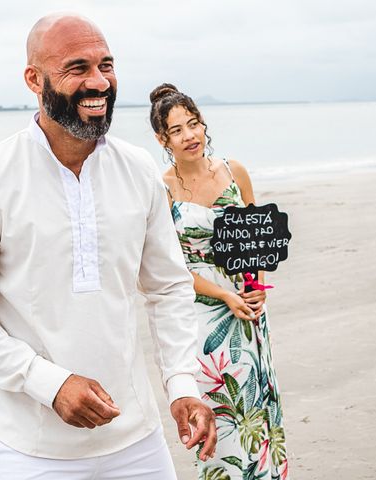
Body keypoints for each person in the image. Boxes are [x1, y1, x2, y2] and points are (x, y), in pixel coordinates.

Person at [0, 15, 216, 479]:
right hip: (30, 450)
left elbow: (168, 288)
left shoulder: (139, 169)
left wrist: (182, 383)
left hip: (138, 441)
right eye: (77, 68)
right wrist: (50, 383)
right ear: (33, 79)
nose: (99, 81)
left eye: (106, 65)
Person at [150, 83, 288, 480]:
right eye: (177, 130)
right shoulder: (163, 189)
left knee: (258, 403)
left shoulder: (233, 171)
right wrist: (224, 295)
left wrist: (256, 288)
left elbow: (257, 238)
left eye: (193, 124)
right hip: (203, 312)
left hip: (247, 307)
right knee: (219, 406)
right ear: (163, 139)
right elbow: (169, 267)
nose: (190, 135)